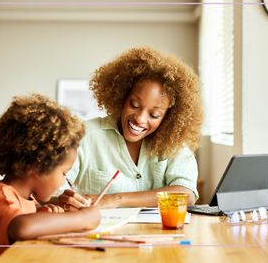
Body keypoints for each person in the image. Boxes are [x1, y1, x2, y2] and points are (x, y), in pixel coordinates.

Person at [57, 47, 203, 209]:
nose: (140, 119)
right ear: (122, 97)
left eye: (154, 115)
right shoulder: (85, 135)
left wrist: (116, 199)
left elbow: (186, 194)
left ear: (169, 117)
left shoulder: (173, 144)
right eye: (134, 105)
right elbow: (54, 191)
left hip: (158, 234)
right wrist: (65, 200)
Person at [0, 94, 100, 263]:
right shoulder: (0, 198)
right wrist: (84, 219)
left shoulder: (16, 196)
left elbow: (22, 220)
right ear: (38, 166)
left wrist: (52, 207)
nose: (64, 181)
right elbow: (22, 227)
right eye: (64, 173)